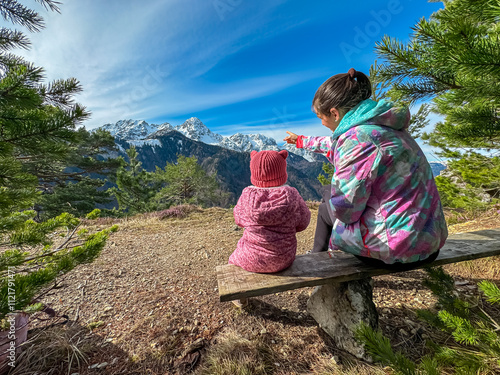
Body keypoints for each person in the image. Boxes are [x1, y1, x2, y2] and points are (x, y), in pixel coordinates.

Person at [284, 68, 448, 269]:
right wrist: (301, 141)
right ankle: (318, 256)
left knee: (328, 201)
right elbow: (333, 144)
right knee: (328, 200)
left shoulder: (357, 140)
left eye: (321, 117)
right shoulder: (383, 127)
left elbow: (345, 211)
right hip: (428, 240)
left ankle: (317, 262)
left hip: (399, 249)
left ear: (334, 113)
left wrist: (331, 193)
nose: (322, 123)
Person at [228, 150, 311, 305]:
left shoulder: (247, 195)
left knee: (232, 260)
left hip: (251, 259)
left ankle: (240, 299)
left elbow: (239, 220)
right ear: (282, 172)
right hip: (285, 258)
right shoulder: (292, 195)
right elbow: (304, 222)